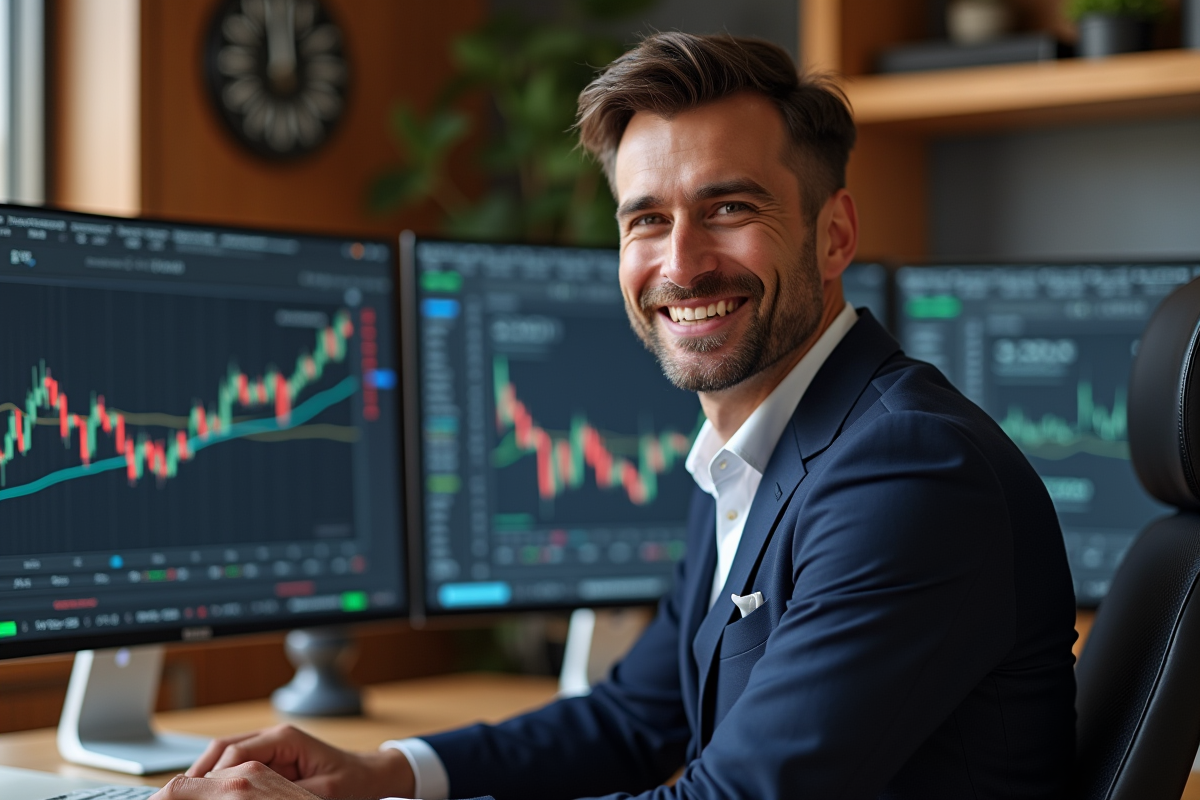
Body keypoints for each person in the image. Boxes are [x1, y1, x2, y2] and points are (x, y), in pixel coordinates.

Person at [153, 32, 1077, 800]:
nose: (681, 263)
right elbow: (634, 718)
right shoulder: (753, 450)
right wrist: (382, 774)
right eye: (646, 220)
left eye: (728, 207)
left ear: (833, 235)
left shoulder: (906, 470)